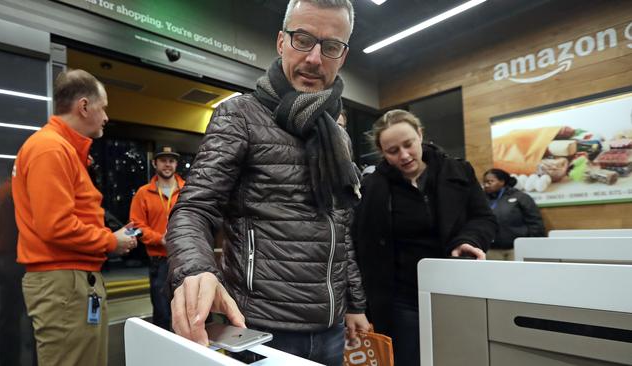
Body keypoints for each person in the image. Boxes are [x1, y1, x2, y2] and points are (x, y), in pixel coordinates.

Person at [165, 1, 369, 364]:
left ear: (343, 56)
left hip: (331, 329)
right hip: (260, 329)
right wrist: (196, 270)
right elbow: (194, 208)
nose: (314, 58)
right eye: (303, 39)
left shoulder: (338, 136)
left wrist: (354, 303)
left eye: (331, 46)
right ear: (281, 42)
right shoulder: (239, 115)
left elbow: (339, 228)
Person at [12, 69, 137, 366]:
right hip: (64, 284)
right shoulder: (51, 149)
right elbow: (55, 226)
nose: (106, 116)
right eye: (103, 106)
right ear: (83, 106)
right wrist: (111, 241)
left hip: (71, 281)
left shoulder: (62, 150)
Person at [352, 110, 497, 366]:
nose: (404, 155)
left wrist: (470, 239)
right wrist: (357, 304)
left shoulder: (458, 171)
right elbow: (362, 244)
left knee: (460, 355)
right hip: (403, 296)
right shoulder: (373, 187)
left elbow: (483, 218)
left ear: (420, 135)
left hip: (455, 286)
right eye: (393, 151)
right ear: (382, 152)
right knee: (409, 358)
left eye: (408, 144)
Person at [129, 146, 185, 330]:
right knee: (162, 314)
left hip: (185, 259)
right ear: (155, 163)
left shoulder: (187, 190)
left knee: (187, 312)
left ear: (176, 164)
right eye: (163, 160)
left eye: (171, 160)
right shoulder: (143, 193)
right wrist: (159, 239)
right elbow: (136, 226)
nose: (167, 164)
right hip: (159, 261)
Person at [0, 179, 34, 366]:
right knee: (35, 315)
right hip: (16, 260)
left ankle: (7, 360)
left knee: (8, 315)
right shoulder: (15, 193)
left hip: (1, 259)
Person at [483, 168, 545, 260]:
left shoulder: (521, 197)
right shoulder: (482, 200)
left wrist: (533, 245)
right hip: (491, 249)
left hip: (517, 248)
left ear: (502, 182)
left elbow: (535, 222)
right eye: (484, 182)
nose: (486, 185)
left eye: (490, 181)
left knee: (520, 274)